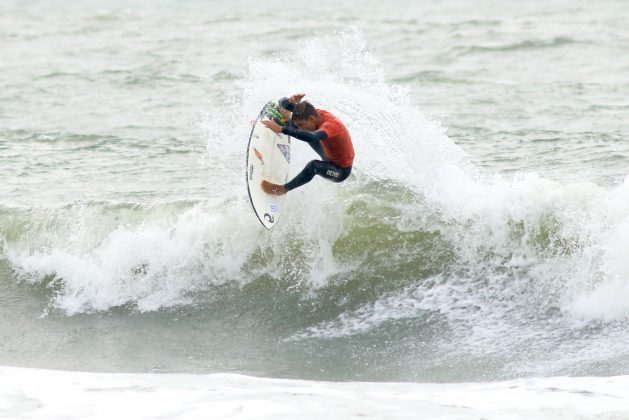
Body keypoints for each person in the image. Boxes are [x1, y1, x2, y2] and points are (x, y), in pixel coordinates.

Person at [260, 94, 355, 195]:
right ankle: (286, 119)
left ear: (311, 119)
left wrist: (282, 130)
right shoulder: (313, 114)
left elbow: (312, 137)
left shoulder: (332, 126)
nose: (300, 128)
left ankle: (282, 189)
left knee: (314, 166)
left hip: (339, 170)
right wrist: (290, 102)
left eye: (301, 124)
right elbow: (283, 102)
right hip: (327, 153)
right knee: (297, 127)